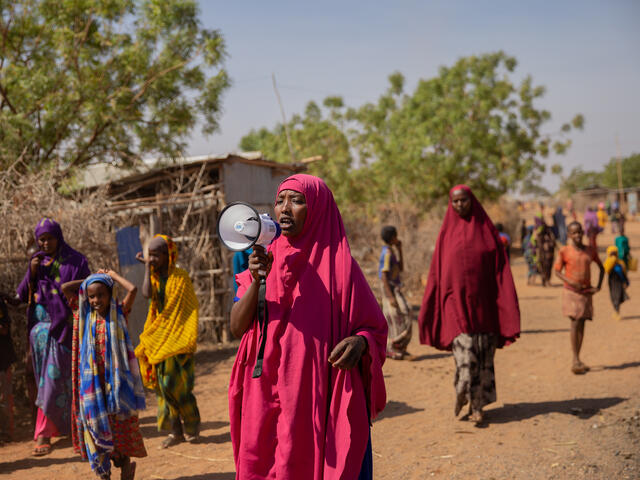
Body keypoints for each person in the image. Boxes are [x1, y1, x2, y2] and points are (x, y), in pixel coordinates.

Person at [229, 174, 387, 479]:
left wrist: (360, 342)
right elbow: (237, 327)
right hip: (264, 390)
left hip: (315, 391)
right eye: (280, 201)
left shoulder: (341, 268)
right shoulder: (262, 260)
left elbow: (374, 329)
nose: (285, 209)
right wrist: (257, 280)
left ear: (317, 208)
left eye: (297, 201)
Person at [418, 185, 520, 426]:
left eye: (463, 201)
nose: (459, 205)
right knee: (465, 359)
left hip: (483, 311)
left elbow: (500, 272)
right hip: (455, 311)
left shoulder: (487, 233)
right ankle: (462, 392)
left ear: (471, 201)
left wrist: (504, 307)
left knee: (482, 358)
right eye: (455, 202)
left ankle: (477, 406)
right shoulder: (446, 235)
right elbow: (437, 274)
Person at [16, 217, 90, 456]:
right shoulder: (37, 264)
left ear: (58, 236)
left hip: (68, 331)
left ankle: (66, 427)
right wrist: (33, 271)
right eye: (42, 239)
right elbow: (22, 295)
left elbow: (88, 290)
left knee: (67, 381)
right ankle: (44, 432)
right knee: (47, 380)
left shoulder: (76, 261)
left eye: (49, 238)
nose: (45, 243)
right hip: (42, 335)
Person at [65, 271, 146, 480]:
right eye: (91, 296)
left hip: (117, 388)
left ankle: (126, 468)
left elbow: (133, 289)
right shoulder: (84, 315)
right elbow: (65, 288)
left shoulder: (119, 313)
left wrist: (112, 276)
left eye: (101, 295)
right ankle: (104, 474)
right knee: (96, 430)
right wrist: (90, 280)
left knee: (120, 431)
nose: (95, 300)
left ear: (110, 295)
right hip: (94, 389)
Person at [135, 235, 201, 448]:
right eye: (150, 255)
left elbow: (187, 310)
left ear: (168, 255)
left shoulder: (180, 277)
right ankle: (176, 432)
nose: (152, 259)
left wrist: (182, 336)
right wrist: (147, 268)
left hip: (179, 338)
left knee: (178, 385)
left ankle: (191, 426)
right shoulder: (153, 277)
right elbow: (146, 294)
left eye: (156, 255)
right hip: (159, 339)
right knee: (164, 387)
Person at [554, 221, 604, 375]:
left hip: (586, 293)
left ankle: (578, 358)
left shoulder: (590, 250)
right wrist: (571, 282)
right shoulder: (564, 251)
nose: (577, 235)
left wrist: (598, 286)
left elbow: (602, 268)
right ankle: (575, 359)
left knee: (582, 323)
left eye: (579, 232)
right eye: (573, 233)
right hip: (571, 292)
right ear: (569, 235)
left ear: (583, 233)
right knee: (575, 321)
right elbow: (557, 271)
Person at [378, 225, 413, 360]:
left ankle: (399, 346)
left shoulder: (391, 251)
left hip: (394, 287)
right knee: (397, 316)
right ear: (393, 237)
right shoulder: (386, 254)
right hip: (390, 288)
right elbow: (384, 275)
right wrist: (390, 296)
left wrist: (400, 250)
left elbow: (401, 268)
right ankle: (392, 347)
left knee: (403, 314)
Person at [0, 292, 18, 442]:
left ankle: (6, 433)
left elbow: (4, 328)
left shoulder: (1, 300)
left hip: (3, 360)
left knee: (4, 398)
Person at [603, 246, 629, 321]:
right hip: (612, 282)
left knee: (618, 296)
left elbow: (624, 273)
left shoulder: (620, 262)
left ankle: (616, 312)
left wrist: (626, 282)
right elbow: (606, 270)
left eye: (615, 253)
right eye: (612, 254)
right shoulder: (608, 261)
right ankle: (616, 311)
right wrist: (612, 261)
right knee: (614, 297)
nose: (614, 255)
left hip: (619, 282)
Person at [532, 215, 556, 287]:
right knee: (541, 266)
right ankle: (544, 280)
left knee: (548, 266)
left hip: (548, 252)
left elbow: (552, 239)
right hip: (540, 252)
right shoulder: (536, 230)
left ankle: (547, 280)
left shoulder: (547, 229)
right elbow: (534, 241)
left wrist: (548, 244)